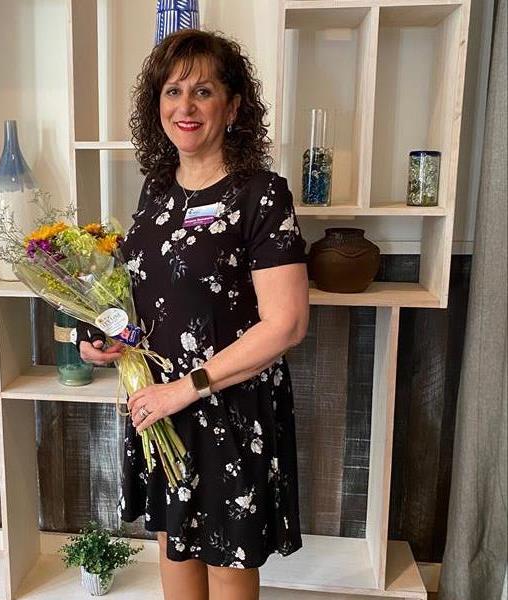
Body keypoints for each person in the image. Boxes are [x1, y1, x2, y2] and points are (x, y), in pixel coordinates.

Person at [76, 29, 309, 600]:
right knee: (174, 543)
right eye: (172, 91)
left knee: (228, 562)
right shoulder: (155, 194)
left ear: (232, 107)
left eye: (202, 91)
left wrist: (188, 387)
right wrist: (105, 338)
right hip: (160, 405)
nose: (185, 106)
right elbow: (142, 297)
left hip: (227, 405)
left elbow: (287, 323)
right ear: (156, 106)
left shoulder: (261, 193)